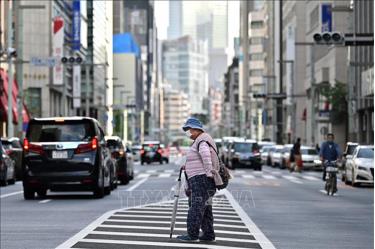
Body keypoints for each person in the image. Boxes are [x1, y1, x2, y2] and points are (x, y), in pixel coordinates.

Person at [177, 117, 217, 243]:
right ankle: (208, 234)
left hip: (201, 180)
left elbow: (206, 157)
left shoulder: (202, 141)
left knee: (196, 207)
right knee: (205, 208)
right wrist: (187, 166)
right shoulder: (201, 140)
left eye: (189, 129)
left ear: (196, 129)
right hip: (202, 179)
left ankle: (192, 235)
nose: (188, 132)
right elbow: (200, 159)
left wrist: (208, 173)